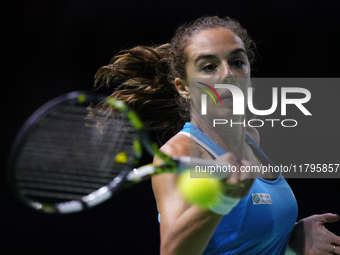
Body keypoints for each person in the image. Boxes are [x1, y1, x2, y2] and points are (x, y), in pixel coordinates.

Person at [94, 16, 340, 255]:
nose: (228, 75)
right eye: (209, 67)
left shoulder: (252, 137)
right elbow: (173, 251)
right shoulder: (177, 154)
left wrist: (292, 242)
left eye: (237, 62)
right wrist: (220, 200)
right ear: (184, 88)